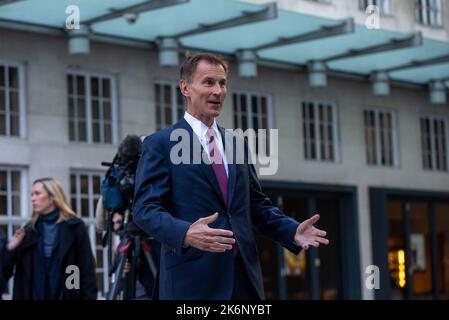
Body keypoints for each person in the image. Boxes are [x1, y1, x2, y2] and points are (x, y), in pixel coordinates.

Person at [133, 52, 329, 300]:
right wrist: (185, 234)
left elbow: (255, 205)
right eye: (208, 83)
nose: (218, 91)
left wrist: (291, 231)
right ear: (185, 88)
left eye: (222, 83)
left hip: (243, 281)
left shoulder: (236, 143)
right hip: (191, 283)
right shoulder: (160, 144)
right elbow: (144, 209)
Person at [2, 177, 97, 300]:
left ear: (53, 197)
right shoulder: (29, 231)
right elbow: (5, 272)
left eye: (37, 193)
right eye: (32, 194)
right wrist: (10, 249)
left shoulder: (74, 227)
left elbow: (86, 270)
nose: (33, 198)